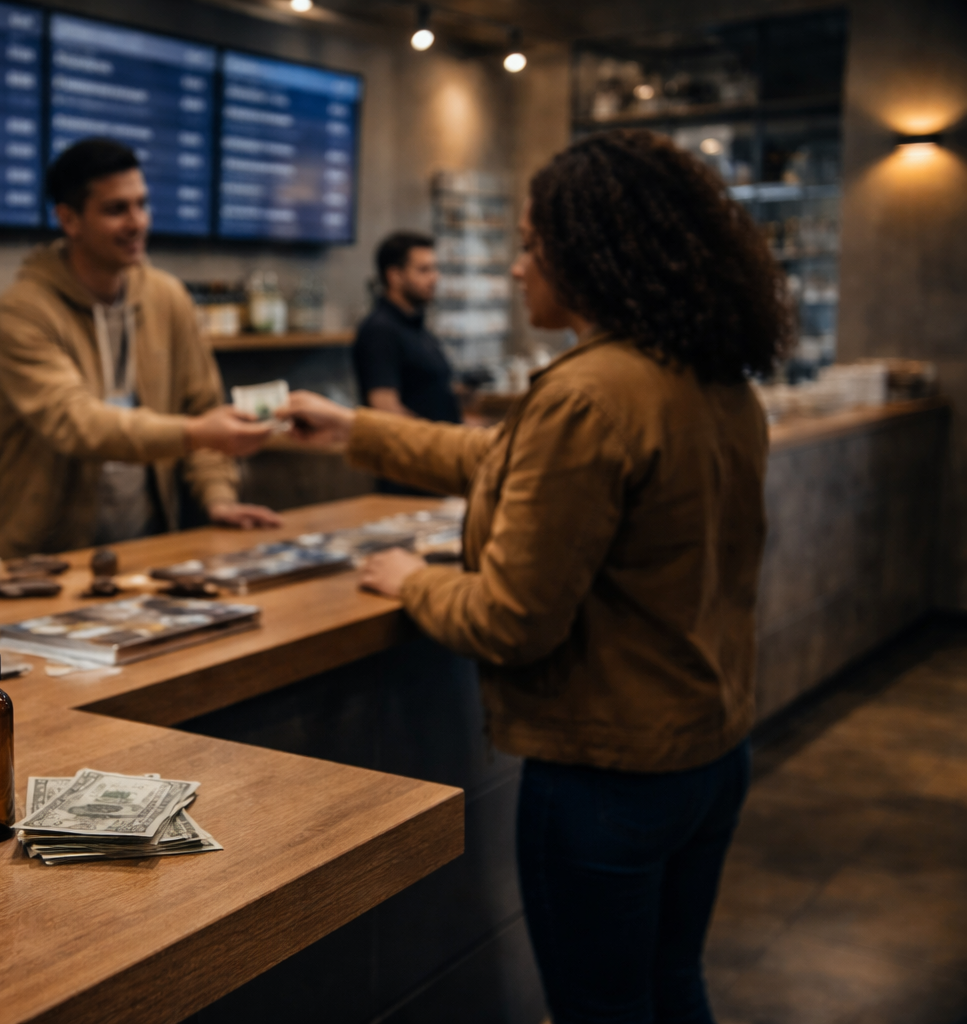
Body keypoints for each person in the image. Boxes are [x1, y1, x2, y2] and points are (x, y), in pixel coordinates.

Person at [282, 128, 790, 1024]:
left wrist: (410, 580)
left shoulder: (588, 393)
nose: (518, 268)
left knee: (601, 1009)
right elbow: (506, 457)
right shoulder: (709, 376)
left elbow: (510, 620)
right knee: (673, 986)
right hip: (709, 755)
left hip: (605, 774)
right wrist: (355, 429)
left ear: (593, 250)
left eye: (530, 244)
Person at [0, 138, 281, 558]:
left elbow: (203, 404)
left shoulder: (167, 297)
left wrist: (220, 499)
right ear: (69, 219)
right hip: (48, 556)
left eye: (142, 204)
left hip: (149, 545)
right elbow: (76, 422)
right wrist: (194, 434)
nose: (138, 222)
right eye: (116, 209)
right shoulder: (21, 311)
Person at [351, 231, 461, 424]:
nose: (434, 278)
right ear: (395, 276)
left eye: (435, 269)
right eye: (424, 270)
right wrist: (442, 440)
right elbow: (385, 408)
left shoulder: (415, 325)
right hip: (414, 452)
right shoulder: (380, 330)